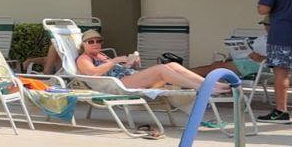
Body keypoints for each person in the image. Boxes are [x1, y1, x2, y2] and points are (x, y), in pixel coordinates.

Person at [72, 31, 205, 92]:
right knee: (161, 69)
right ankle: (202, 88)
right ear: (83, 44)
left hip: (130, 77)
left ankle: (212, 85)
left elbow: (113, 68)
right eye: (90, 42)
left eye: (98, 41)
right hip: (119, 84)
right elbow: (93, 74)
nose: (95, 44)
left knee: (172, 65)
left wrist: (131, 63)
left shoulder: (101, 55)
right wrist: (115, 61)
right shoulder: (84, 58)